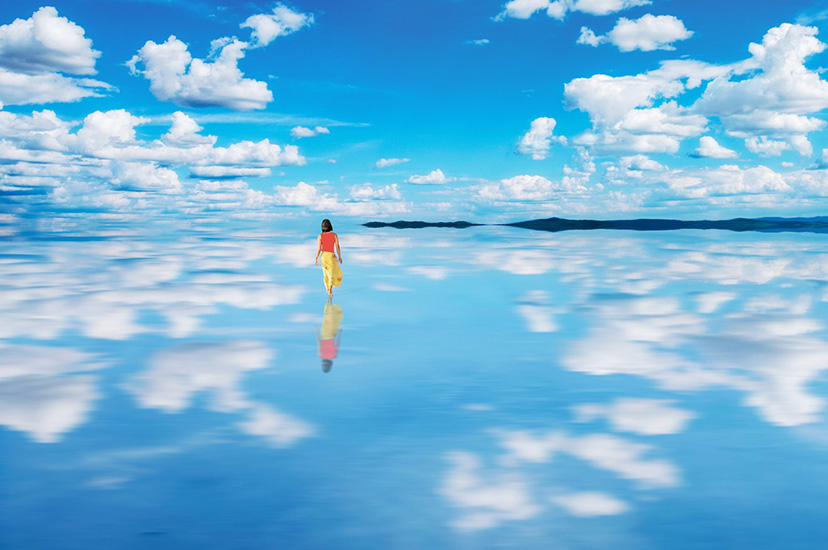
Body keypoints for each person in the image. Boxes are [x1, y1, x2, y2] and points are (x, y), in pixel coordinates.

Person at [314, 218, 343, 297]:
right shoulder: (334, 235)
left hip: (323, 256)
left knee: (325, 273)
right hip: (331, 256)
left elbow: (319, 248)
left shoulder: (320, 236)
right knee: (332, 272)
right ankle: (330, 289)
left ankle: (327, 287)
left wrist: (316, 258)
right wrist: (340, 256)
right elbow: (337, 247)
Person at [317, 301, 343, 373]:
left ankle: (329, 301)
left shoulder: (334, 356)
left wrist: (339, 333)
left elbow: (337, 344)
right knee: (327, 317)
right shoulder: (320, 355)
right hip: (324, 334)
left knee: (330, 318)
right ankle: (329, 301)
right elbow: (319, 342)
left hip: (331, 334)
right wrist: (316, 332)